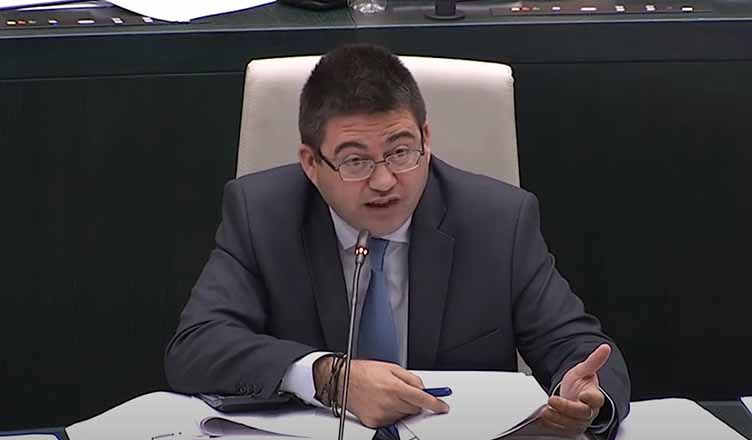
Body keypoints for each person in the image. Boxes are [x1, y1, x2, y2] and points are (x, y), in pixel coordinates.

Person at [164, 44, 630, 439]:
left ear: (426, 137)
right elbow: (197, 347)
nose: (385, 181)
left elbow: (578, 346)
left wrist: (589, 399)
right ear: (311, 163)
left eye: (401, 151)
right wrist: (329, 377)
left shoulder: (499, 221)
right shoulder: (261, 214)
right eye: (355, 161)